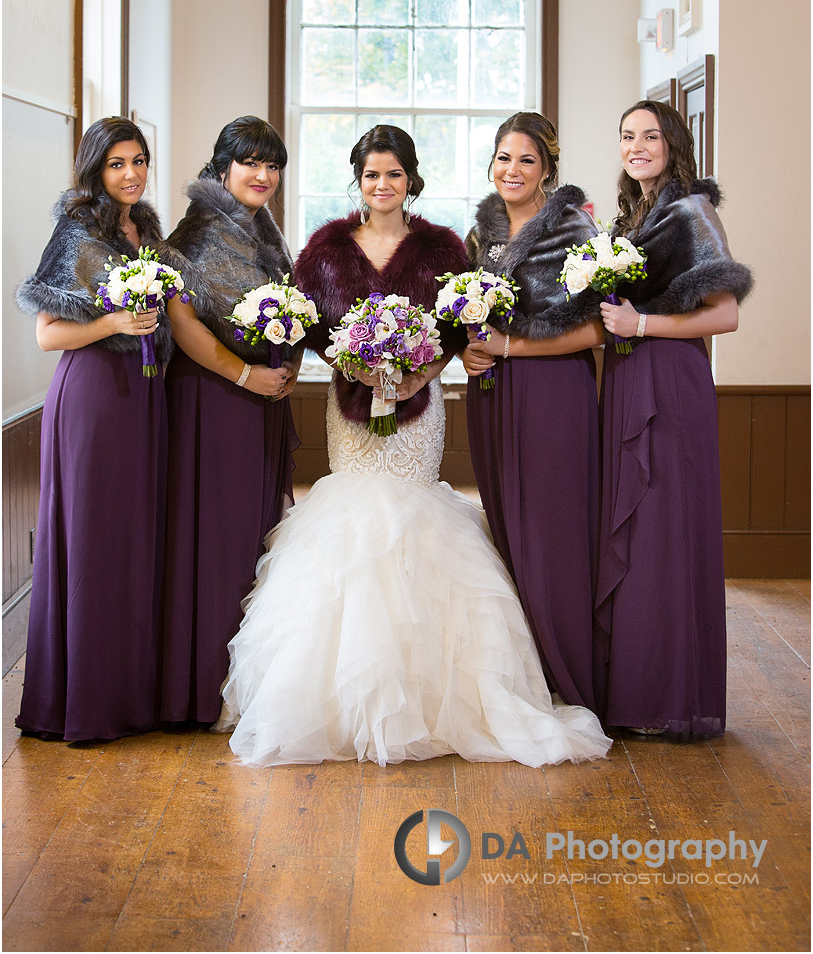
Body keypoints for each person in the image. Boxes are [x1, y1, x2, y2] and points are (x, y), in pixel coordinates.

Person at [215, 124, 611, 768]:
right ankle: (341, 701)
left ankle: (436, 697)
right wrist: (354, 364)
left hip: (420, 413)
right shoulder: (324, 248)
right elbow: (306, 321)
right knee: (354, 524)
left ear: (411, 180)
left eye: (393, 174)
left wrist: (420, 373)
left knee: (411, 520)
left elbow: (463, 320)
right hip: (349, 412)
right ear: (358, 180)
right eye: (371, 175)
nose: (382, 186)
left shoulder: (443, 247)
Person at [595, 101, 752, 737]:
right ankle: (636, 691)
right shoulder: (634, 217)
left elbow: (726, 314)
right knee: (638, 540)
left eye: (650, 136)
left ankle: (672, 698)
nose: (637, 147)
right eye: (628, 136)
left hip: (672, 382)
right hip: (631, 377)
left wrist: (644, 325)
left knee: (665, 534)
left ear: (674, 143)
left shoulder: (692, 211)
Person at [15, 117, 170, 741]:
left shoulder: (146, 230)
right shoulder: (78, 230)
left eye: (138, 161)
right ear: (94, 170)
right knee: (92, 540)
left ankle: (132, 695)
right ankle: (86, 702)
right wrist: (114, 325)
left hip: (144, 398)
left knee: (133, 540)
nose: (130, 174)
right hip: (95, 400)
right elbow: (47, 332)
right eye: (116, 165)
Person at [160, 116, 300, 726]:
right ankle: (205, 687)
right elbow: (186, 326)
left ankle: (252, 682)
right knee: (219, 539)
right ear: (223, 169)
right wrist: (247, 376)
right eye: (251, 163)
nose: (263, 176)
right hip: (214, 399)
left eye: (272, 166)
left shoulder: (262, 230)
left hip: (260, 399)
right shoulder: (197, 236)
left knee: (255, 535)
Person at [462, 112, 604, 711]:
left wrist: (510, 346)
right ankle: (529, 672)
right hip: (492, 394)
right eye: (503, 157)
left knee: (553, 538)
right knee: (508, 532)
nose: (511, 170)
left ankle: (576, 678)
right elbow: (471, 311)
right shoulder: (481, 232)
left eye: (525, 160)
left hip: (553, 396)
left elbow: (598, 328)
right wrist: (471, 346)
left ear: (547, 167)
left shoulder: (574, 230)